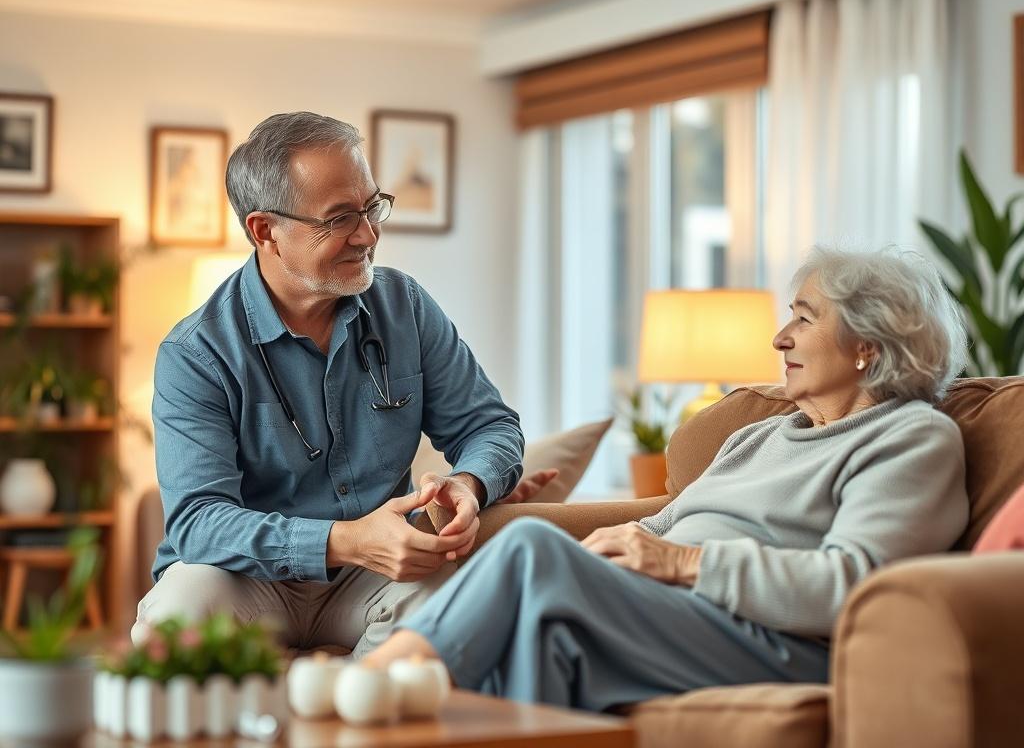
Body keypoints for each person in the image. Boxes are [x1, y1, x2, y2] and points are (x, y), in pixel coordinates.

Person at [363, 246, 971, 709]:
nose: (779, 337)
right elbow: (657, 527)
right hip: (678, 617)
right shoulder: (762, 435)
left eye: (805, 320)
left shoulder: (911, 438)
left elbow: (855, 585)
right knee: (546, 634)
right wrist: (616, 560)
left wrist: (682, 564)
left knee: (532, 549)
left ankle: (377, 682)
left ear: (865, 343)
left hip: (782, 641)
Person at [134, 112, 550, 656]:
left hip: (374, 579)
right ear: (265, 231)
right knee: (178, 610)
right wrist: (344, 541)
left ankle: (359, 716)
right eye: (339, 219)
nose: (369, 235)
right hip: (247, 581)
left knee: (474, 593)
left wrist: (468, 484)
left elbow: (489, 425)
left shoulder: (406, 307)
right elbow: (199, 524)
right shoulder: (197, 353)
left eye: (373, 207)